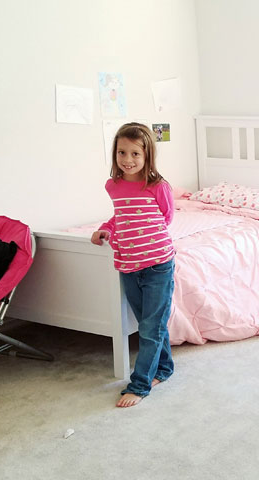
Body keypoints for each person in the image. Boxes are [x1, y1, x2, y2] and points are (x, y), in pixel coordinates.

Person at [91, 122, 175, 408]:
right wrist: (106, 228)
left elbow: (165, 217)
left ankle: (139, 385)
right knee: (148, 324)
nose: (127, 160)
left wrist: (146, 240)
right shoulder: (112, 186)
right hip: (128, 264)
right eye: (121, 152)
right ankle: (164, 368)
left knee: (152, 327)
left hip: (158, 264)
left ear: (147, 155)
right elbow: (121, 216)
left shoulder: (158, 186)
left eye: (135, 154)